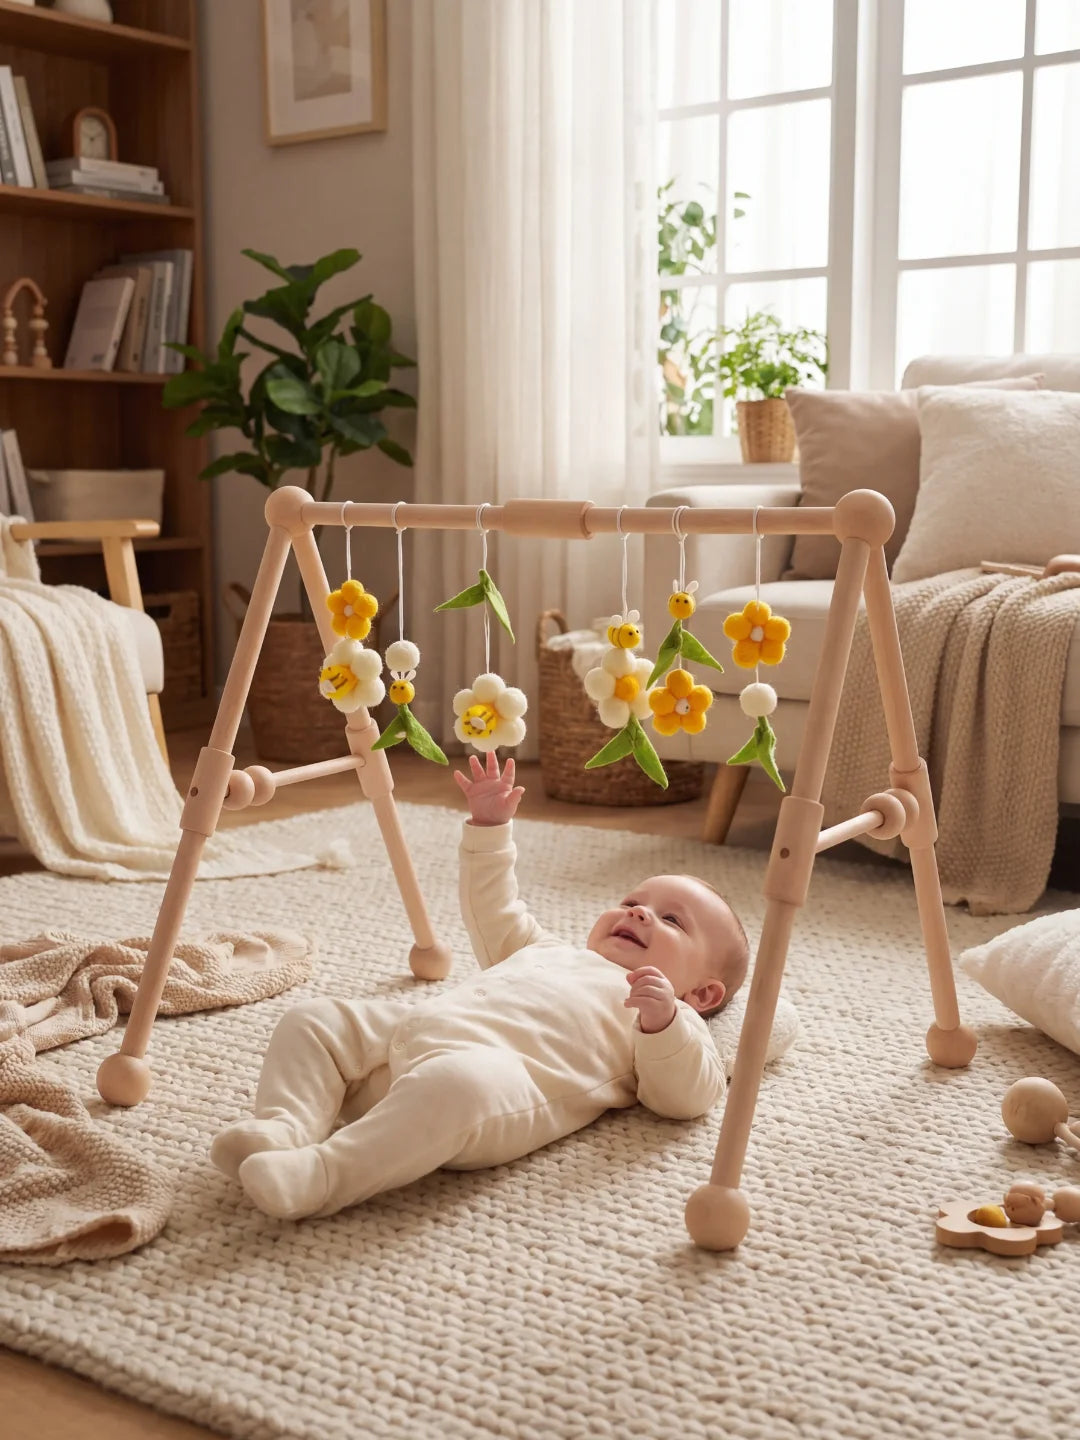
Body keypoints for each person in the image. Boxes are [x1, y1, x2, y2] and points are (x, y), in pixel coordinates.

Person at [211, 752, 749, 1220]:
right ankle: (285, 1126)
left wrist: (664, 1024)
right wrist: (490, 831)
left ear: (702, 994)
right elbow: (493, 910)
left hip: (489, 1085)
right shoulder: (548, 948)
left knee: (456, 1085)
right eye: (632, 902)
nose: (639, 914)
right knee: (316, 1020)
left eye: (672, 921)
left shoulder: (669, 1019)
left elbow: (689, 1097)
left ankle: (322, 1174)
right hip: (406, 1038)